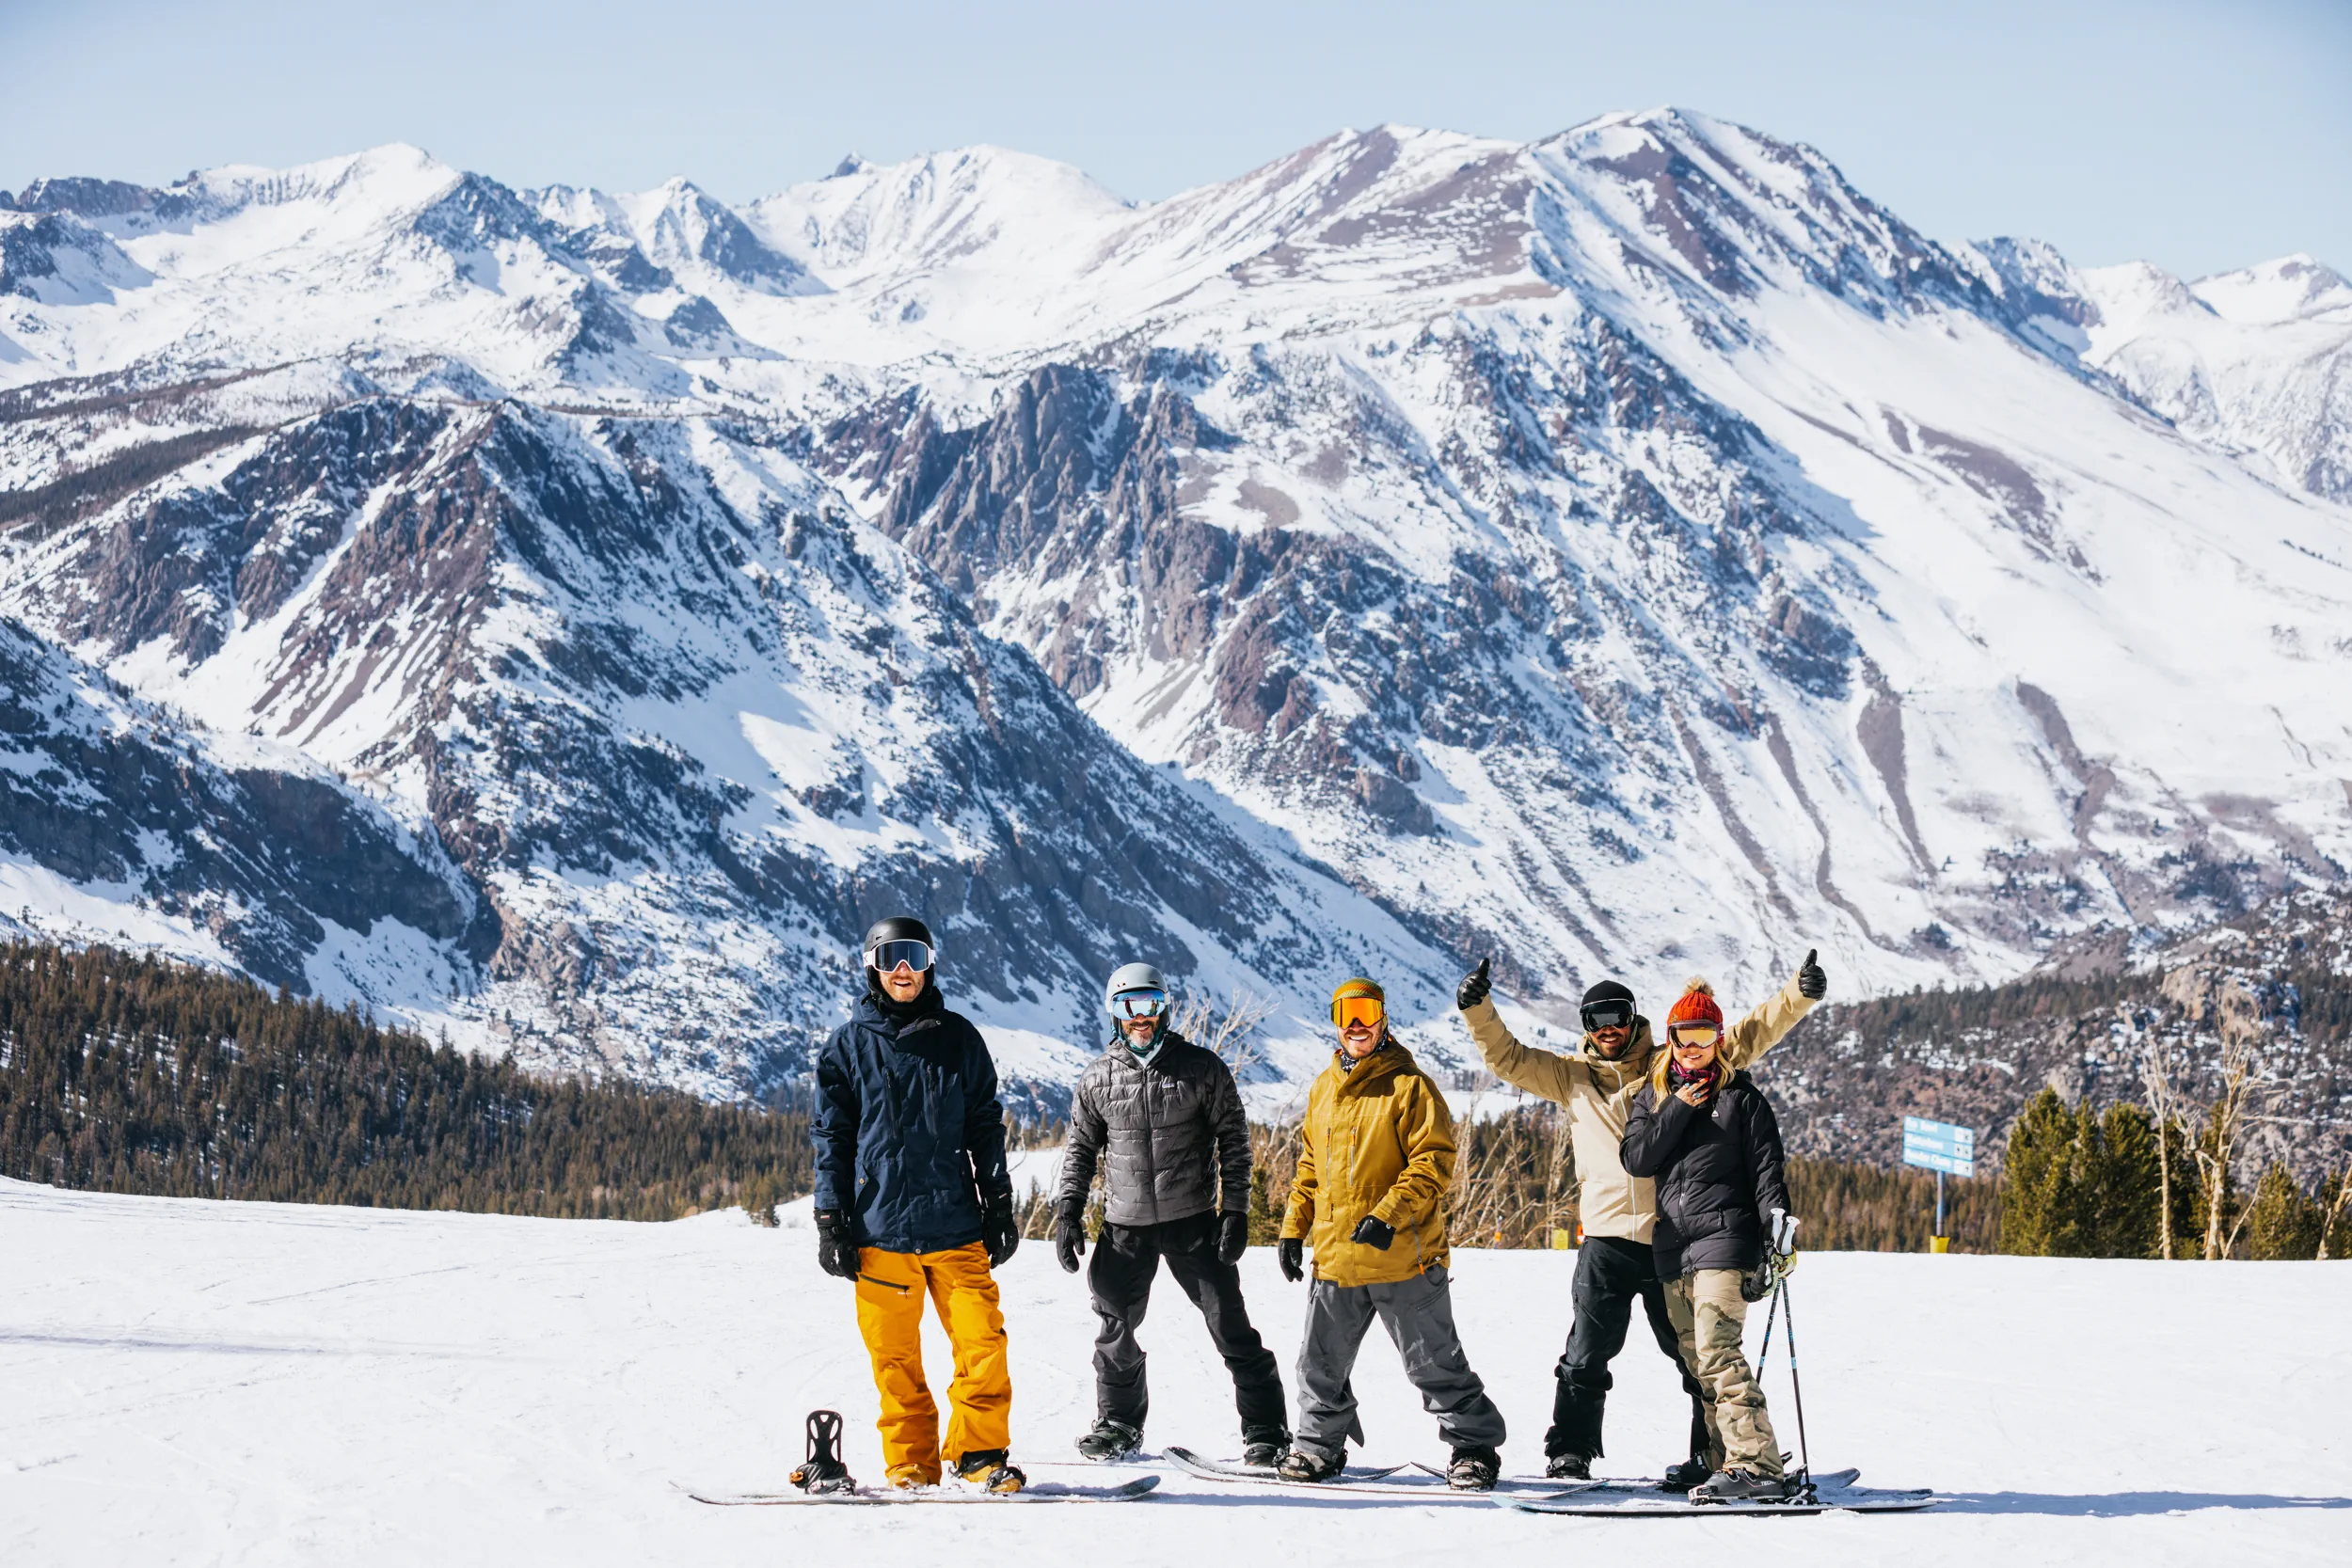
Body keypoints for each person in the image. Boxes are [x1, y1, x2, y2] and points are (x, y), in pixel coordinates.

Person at [1455, 948, 1826, 1484]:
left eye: (1618, 1018)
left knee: (1694, 1356)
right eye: (1596, 1021)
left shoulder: (1664, 1063)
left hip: (1668, 1236)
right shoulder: (1570, 1077)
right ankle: (1571, 1450)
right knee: (1585, 1352)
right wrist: (1478, 1011)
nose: (1608, 1030)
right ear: (1585, 1027)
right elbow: (1507, 1057)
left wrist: (1797, 994)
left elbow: (1740, 1038)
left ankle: (1714, 1458)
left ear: (1635, 1021)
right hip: (1605, 1237)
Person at [811, 916, 1025, 1493]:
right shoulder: (847, 1047)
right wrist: (831, 1219)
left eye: (912, 956)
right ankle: (911, 1465)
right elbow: (831, 1139)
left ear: (930, 963)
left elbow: (985, 1124)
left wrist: (998, 1202)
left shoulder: (959, 1038)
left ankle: (979, 1455)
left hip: (956, 1226)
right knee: (895, 1360)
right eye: (889, 958)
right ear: (872, 967)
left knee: (983, 1343)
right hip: (880, 1231)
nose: (902, 970)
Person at [1277, 977, 1507, 1490]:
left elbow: (1433, 1162)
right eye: (1346, 1013)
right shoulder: (1322, 1087)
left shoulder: (1409, 1086)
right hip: (1336, 1257)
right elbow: (1311, 1164)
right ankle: (1318, 1448)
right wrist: (1295, 1228)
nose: (1356, 1024)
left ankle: (1473, 1447)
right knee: (1319, 1367)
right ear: (1335, 1021)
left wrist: (1388, 1215)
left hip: (1405, 1258)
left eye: (1366, 1012)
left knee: (1434, 1367)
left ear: (1383, 1018)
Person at [1055, 961, 1288, 1465]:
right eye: (1128, 1006)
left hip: (1193, 1220)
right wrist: (1069, 1210)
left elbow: (1234, 1142)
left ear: (1165, 1008)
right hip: (1124, 1226)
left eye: (1150, 1005)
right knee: (1114, 1326)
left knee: (1229, 1324)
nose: (1141, 1017)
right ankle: (1118, 1423)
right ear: (1114, 1014)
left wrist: (1237, 1211)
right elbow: (1079, 1150)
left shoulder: (1201, 1068)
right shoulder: (1098, 1077)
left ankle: (1266, 1430)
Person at [1620, 977, 1806, 1501]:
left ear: (1720, 1039)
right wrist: (1677, 1106)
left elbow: (1769, 1174)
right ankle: (1720, 1457)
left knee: (1718, 1352)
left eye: (1704, 1037)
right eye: (1684, 1037)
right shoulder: (1651, 1097)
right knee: (1697, 1362)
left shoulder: (1743, 1101)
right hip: (1673, 1248)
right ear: (1671, 1038)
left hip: (1727, 1241)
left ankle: (1757, 1465)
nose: (1694, 1049)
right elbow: (1638, 1159)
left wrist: (1779, 1236)